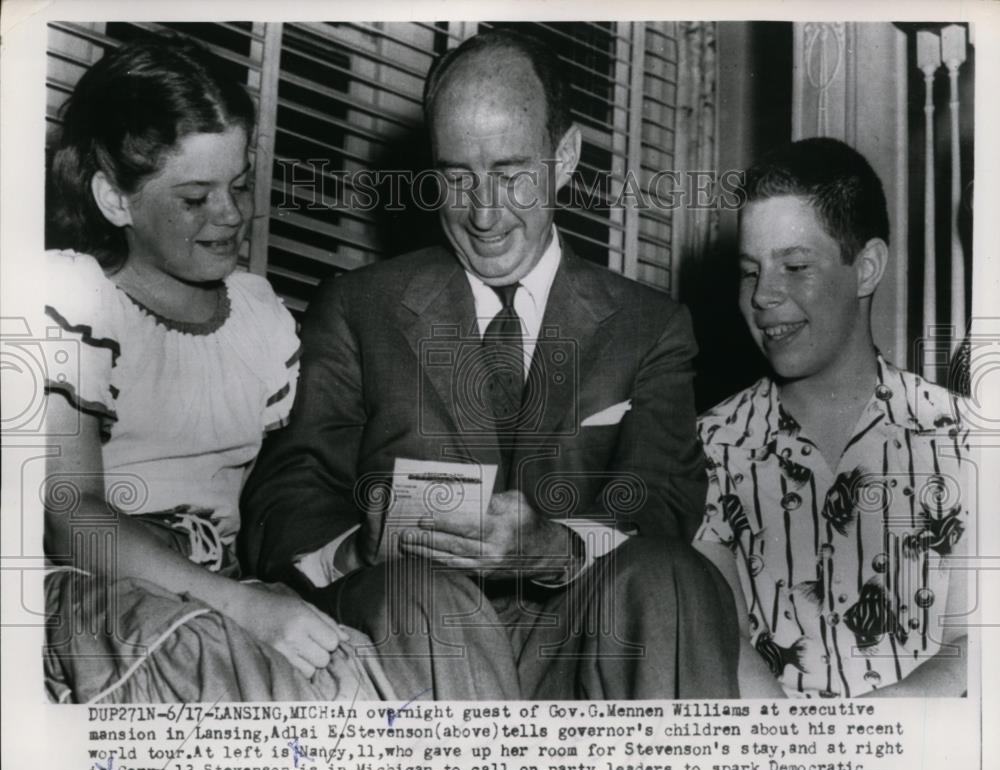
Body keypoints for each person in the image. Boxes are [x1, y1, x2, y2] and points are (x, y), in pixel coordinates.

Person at [240, 28, 739, 700]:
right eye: (456, 177)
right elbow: (284, 504)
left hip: (577, 639)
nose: (483, 213)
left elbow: (662, 503)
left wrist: (557, 547)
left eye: (509, 174)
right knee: (427, 601)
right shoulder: (358, 308)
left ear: (565, 157)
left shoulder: (650, 327)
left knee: (674, 578)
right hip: (418, 636)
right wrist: (360, 545)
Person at [42, 33, 393, 703]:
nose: (230, 214)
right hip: (94, 590)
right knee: (209, 654)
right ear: (115, 199)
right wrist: (244, 606)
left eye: (238, 184)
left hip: (217, 587)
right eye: (195, 198)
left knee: (352, 673)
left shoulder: (260, 318)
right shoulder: (73, 299)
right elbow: (70, 516)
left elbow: (289, 493)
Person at [694, 138, 970, 698]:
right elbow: (723, 643)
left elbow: (973, 649)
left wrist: (861, 735)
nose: (763, 296)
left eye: (795, 266)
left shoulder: (965, 439)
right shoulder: (707, 447)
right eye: (749, 272)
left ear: (866, 269)